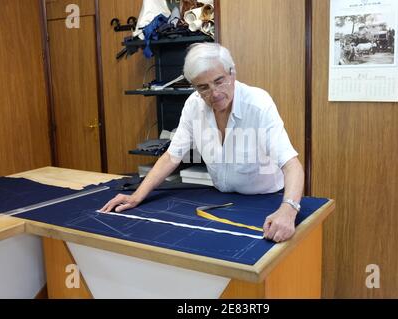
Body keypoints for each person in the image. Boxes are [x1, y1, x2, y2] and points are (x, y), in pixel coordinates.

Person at [101, 43, 304, 243]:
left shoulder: (259, 103)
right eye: (203, 87)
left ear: (232, 73)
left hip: (265, 200)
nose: (214, 93)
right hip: (220, 199)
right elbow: (172, 156)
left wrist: (288, 209)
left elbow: (291, 165)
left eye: (219, 81)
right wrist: (136, 196)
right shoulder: (193, 105)